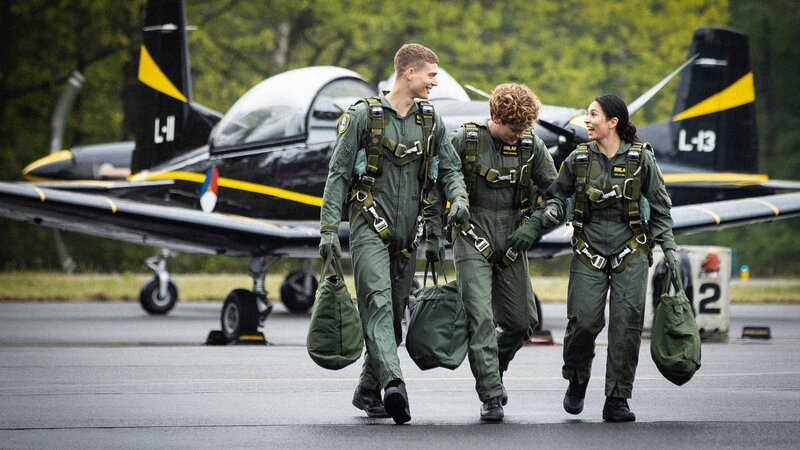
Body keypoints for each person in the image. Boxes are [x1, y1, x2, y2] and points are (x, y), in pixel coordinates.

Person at [318, 43, 469, 425]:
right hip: (369, 228)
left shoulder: (430, 121)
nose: (435, 82)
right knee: (378, 305)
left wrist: (457, 202)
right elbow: (337, 176)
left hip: (409, 236)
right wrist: (328, 230)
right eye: (431, 74)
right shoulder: (361, 118)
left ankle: (367, 391)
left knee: (395, 318)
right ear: (409, 73)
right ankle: (393, 385)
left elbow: (448, 171)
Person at [540, 94, 679, 422]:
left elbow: (660, 207)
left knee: (626, 326)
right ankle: (577, 378)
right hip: (588, 250)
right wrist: (544, 216)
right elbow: (556, 197)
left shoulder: (641, 159)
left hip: (630, 250)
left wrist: (669, 248)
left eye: (593, 114)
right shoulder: (577, 160)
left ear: (613, 122)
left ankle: (617, 398)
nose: (587, 121)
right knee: (584, 321)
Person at [426, 83, 557, 421]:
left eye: (525, 128)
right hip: (472, 235)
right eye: (514, 128)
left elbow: (559, 196)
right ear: (495, 117)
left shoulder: (532, 146)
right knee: (481, 319)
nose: (520, 135)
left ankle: (492, 368)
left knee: (523, 322)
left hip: (514, 239)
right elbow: (434, 186)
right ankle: (491, 395)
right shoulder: (465, 141)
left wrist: (536, 225)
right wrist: (433, 235)